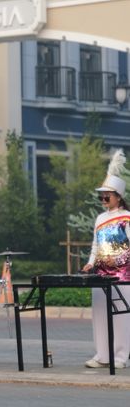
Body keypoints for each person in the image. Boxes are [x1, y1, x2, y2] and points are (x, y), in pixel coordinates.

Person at [82, 149, 130, 369]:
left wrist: (118, 261)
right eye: (101, 196)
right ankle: (102, 355)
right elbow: (95, 245)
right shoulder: (100, 218)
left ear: (118, 196)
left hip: (123, 275)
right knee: (100, 314)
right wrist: (90, 263)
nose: (103, 199)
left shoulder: (127, 217)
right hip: (100, 274)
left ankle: (120, 357)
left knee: (121, 317)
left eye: (107, 196)